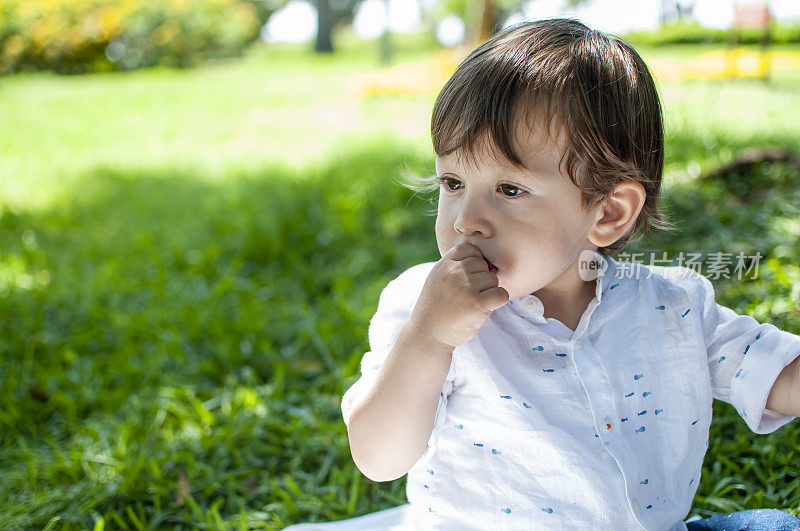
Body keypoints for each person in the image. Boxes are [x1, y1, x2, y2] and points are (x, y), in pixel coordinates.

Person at [293, 18, 800, 531]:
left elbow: (780, 376)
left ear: (607, 213)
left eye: (510, 189)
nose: (466, 219)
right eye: (453, 181)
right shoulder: (421, 307)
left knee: (774, 526)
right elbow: (380, 458)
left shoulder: (674, 307)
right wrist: (428, 340)